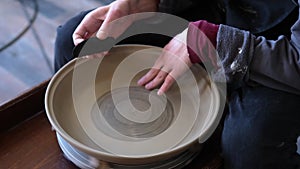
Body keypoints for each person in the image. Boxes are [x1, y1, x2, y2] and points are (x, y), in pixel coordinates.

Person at [54, 0, 300, 168]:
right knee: (72, 42)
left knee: (248, 149)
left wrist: (213, 41)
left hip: (282, 52)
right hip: (215, 10)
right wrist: (147, 2)